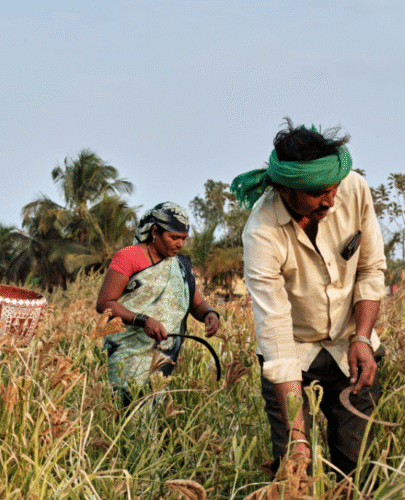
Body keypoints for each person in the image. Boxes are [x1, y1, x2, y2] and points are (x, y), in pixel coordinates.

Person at [231, 119, 386, 477]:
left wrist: (362, 337)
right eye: (318, 193)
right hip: (294, 355)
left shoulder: (354, 189)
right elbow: (275, 332)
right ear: (285, 190)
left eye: (333, 189)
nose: (330, 201)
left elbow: (370, 270)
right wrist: (298, 438)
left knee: (356, 468)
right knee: (295, 469)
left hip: (351, 349)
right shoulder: (262, 232)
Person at [96, 202, 220, 404]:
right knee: (126, 410)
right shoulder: (129, 256)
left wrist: (209, 314)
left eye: (184, 238)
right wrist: (143, 320)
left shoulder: (180, 266)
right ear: (155, 232)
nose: (180, 244)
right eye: (174, 237)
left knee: (152, 415)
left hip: (162, 358)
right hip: (128, 353)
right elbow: (104, 303)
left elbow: (196, 303)